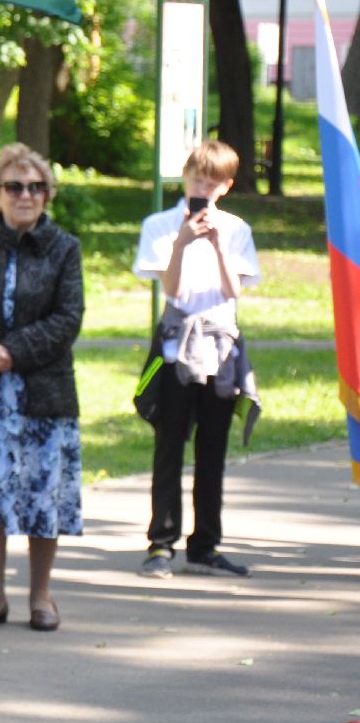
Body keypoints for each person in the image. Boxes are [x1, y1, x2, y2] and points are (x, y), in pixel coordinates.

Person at [0, 143, 83, 633]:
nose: (26, 195)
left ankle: (41, 596)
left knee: (42, 497)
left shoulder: (64, 248)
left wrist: (13, 350)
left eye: (36, 187)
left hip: (44, 393)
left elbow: (68, 317)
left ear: (47, 194)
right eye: (15, 187)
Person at [134, 139, 260, 579]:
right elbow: (172, 290)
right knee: (169, 445)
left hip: (221, 347)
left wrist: (219, 245)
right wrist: (183, 243)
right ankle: (161, 543)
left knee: (213, 449)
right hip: (176, 347)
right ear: (185, 177)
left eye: (211, 182)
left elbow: (233, 290)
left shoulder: (236, 228)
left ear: (225, 186)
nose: (202, 188)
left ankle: (205, 544)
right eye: (196, 179)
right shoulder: (161, 225)